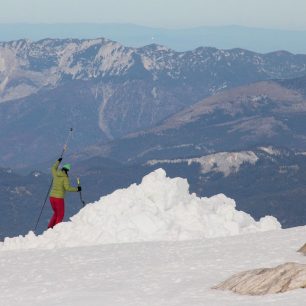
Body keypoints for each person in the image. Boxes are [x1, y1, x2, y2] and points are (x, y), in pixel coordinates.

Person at [48, 158, 81, 228]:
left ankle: (50, 227)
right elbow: (67, 188)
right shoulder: (65, 178)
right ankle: (56, 230)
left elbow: (53, 168)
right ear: (67, 171)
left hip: (51, 197)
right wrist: (77, 189)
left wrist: (58, 161)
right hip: (58, 198)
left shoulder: (56, 174)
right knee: (60, 215)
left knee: (56, 213)